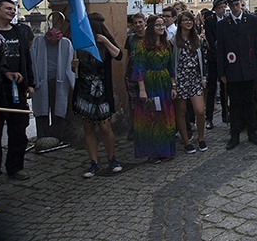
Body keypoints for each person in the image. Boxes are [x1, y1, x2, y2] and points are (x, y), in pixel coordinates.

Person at [71, 12, 123, 177]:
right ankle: (93, 162)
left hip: (102, 91)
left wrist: (105, 41)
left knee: (105, 127)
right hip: (85, 91)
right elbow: (74, 71)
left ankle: (112, 158)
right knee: (88, 127)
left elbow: (119, 55)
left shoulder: (105, 44)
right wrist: (74, 66)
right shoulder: (81, 44)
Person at [216, 0, 257, 150]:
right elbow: (221, 50)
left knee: (250, 102)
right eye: (231, 5)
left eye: (237, 4)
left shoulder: (251, 20)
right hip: (233, 70)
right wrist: (221, 72)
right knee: (235, 104)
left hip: (250, 68)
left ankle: (252, 132)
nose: (234, 7)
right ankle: (235, 135)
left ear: (241, 3)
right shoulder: (223, 24)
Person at [0, 0, 34, 181]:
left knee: (19, 130)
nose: (12, 11)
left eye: (14, 8)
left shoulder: (19, 32)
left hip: (18, 89)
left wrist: (30, 83)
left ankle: (16, 167)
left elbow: (27, 59)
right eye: (8, 8)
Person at [132, 15, 177, 163]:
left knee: (165, 116)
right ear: (151, 27)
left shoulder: (167, 44)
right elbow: (139, 68)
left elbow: (171, 67)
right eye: (158, 25)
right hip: (150, 83)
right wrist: (142, 90)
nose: (161, 27)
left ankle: (166, 150)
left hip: (164, 83)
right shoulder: (142, 45)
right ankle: (152, 152)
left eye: (163, 25)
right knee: (151, 117)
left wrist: (173, 86)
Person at [170, 11, 207, 153]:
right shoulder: (174, 41)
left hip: (195, 78)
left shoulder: (197, 40)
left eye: (190, 20)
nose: (189, 23)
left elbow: (203, 60)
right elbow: (171, 63)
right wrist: (173, 82)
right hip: (180, 79)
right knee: (181, 111)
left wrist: (204, 78)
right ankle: (186, 141)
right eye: (185, 20)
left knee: (200, 110)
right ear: (180, 23)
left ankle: (201, 138)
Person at [31, 26, 75, 142]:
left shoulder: (65, 43)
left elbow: (70, 63)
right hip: (41, 81)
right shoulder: (38, 42)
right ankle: (42, 137)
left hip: (59, 81)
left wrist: (72, 82)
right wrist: (34, 80)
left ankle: (57, 138)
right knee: (41, 110)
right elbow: (32, 60)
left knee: (59, 110)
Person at [203, 0, 229, 129]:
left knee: (225, 88)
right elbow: (210, 39)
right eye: (220, 7)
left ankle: (226, 113)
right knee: (212, 88)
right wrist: (217, 52)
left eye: (224, 7)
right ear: (215, 9)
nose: (223, 10)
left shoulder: (227, 20)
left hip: (225, 59)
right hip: (214, 58)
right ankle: (209, 118)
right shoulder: (209, 21)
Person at [124, 13, 146, 141]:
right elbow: (127, 56)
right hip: (131, 75)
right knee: (132, 104)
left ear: (144, 22)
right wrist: (124, 72)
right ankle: (134, 127)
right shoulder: (131, 39)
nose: (138, 25)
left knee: (145, 103)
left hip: (145, 76)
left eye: (140, 22)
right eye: (135, 23)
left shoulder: (150, 38)